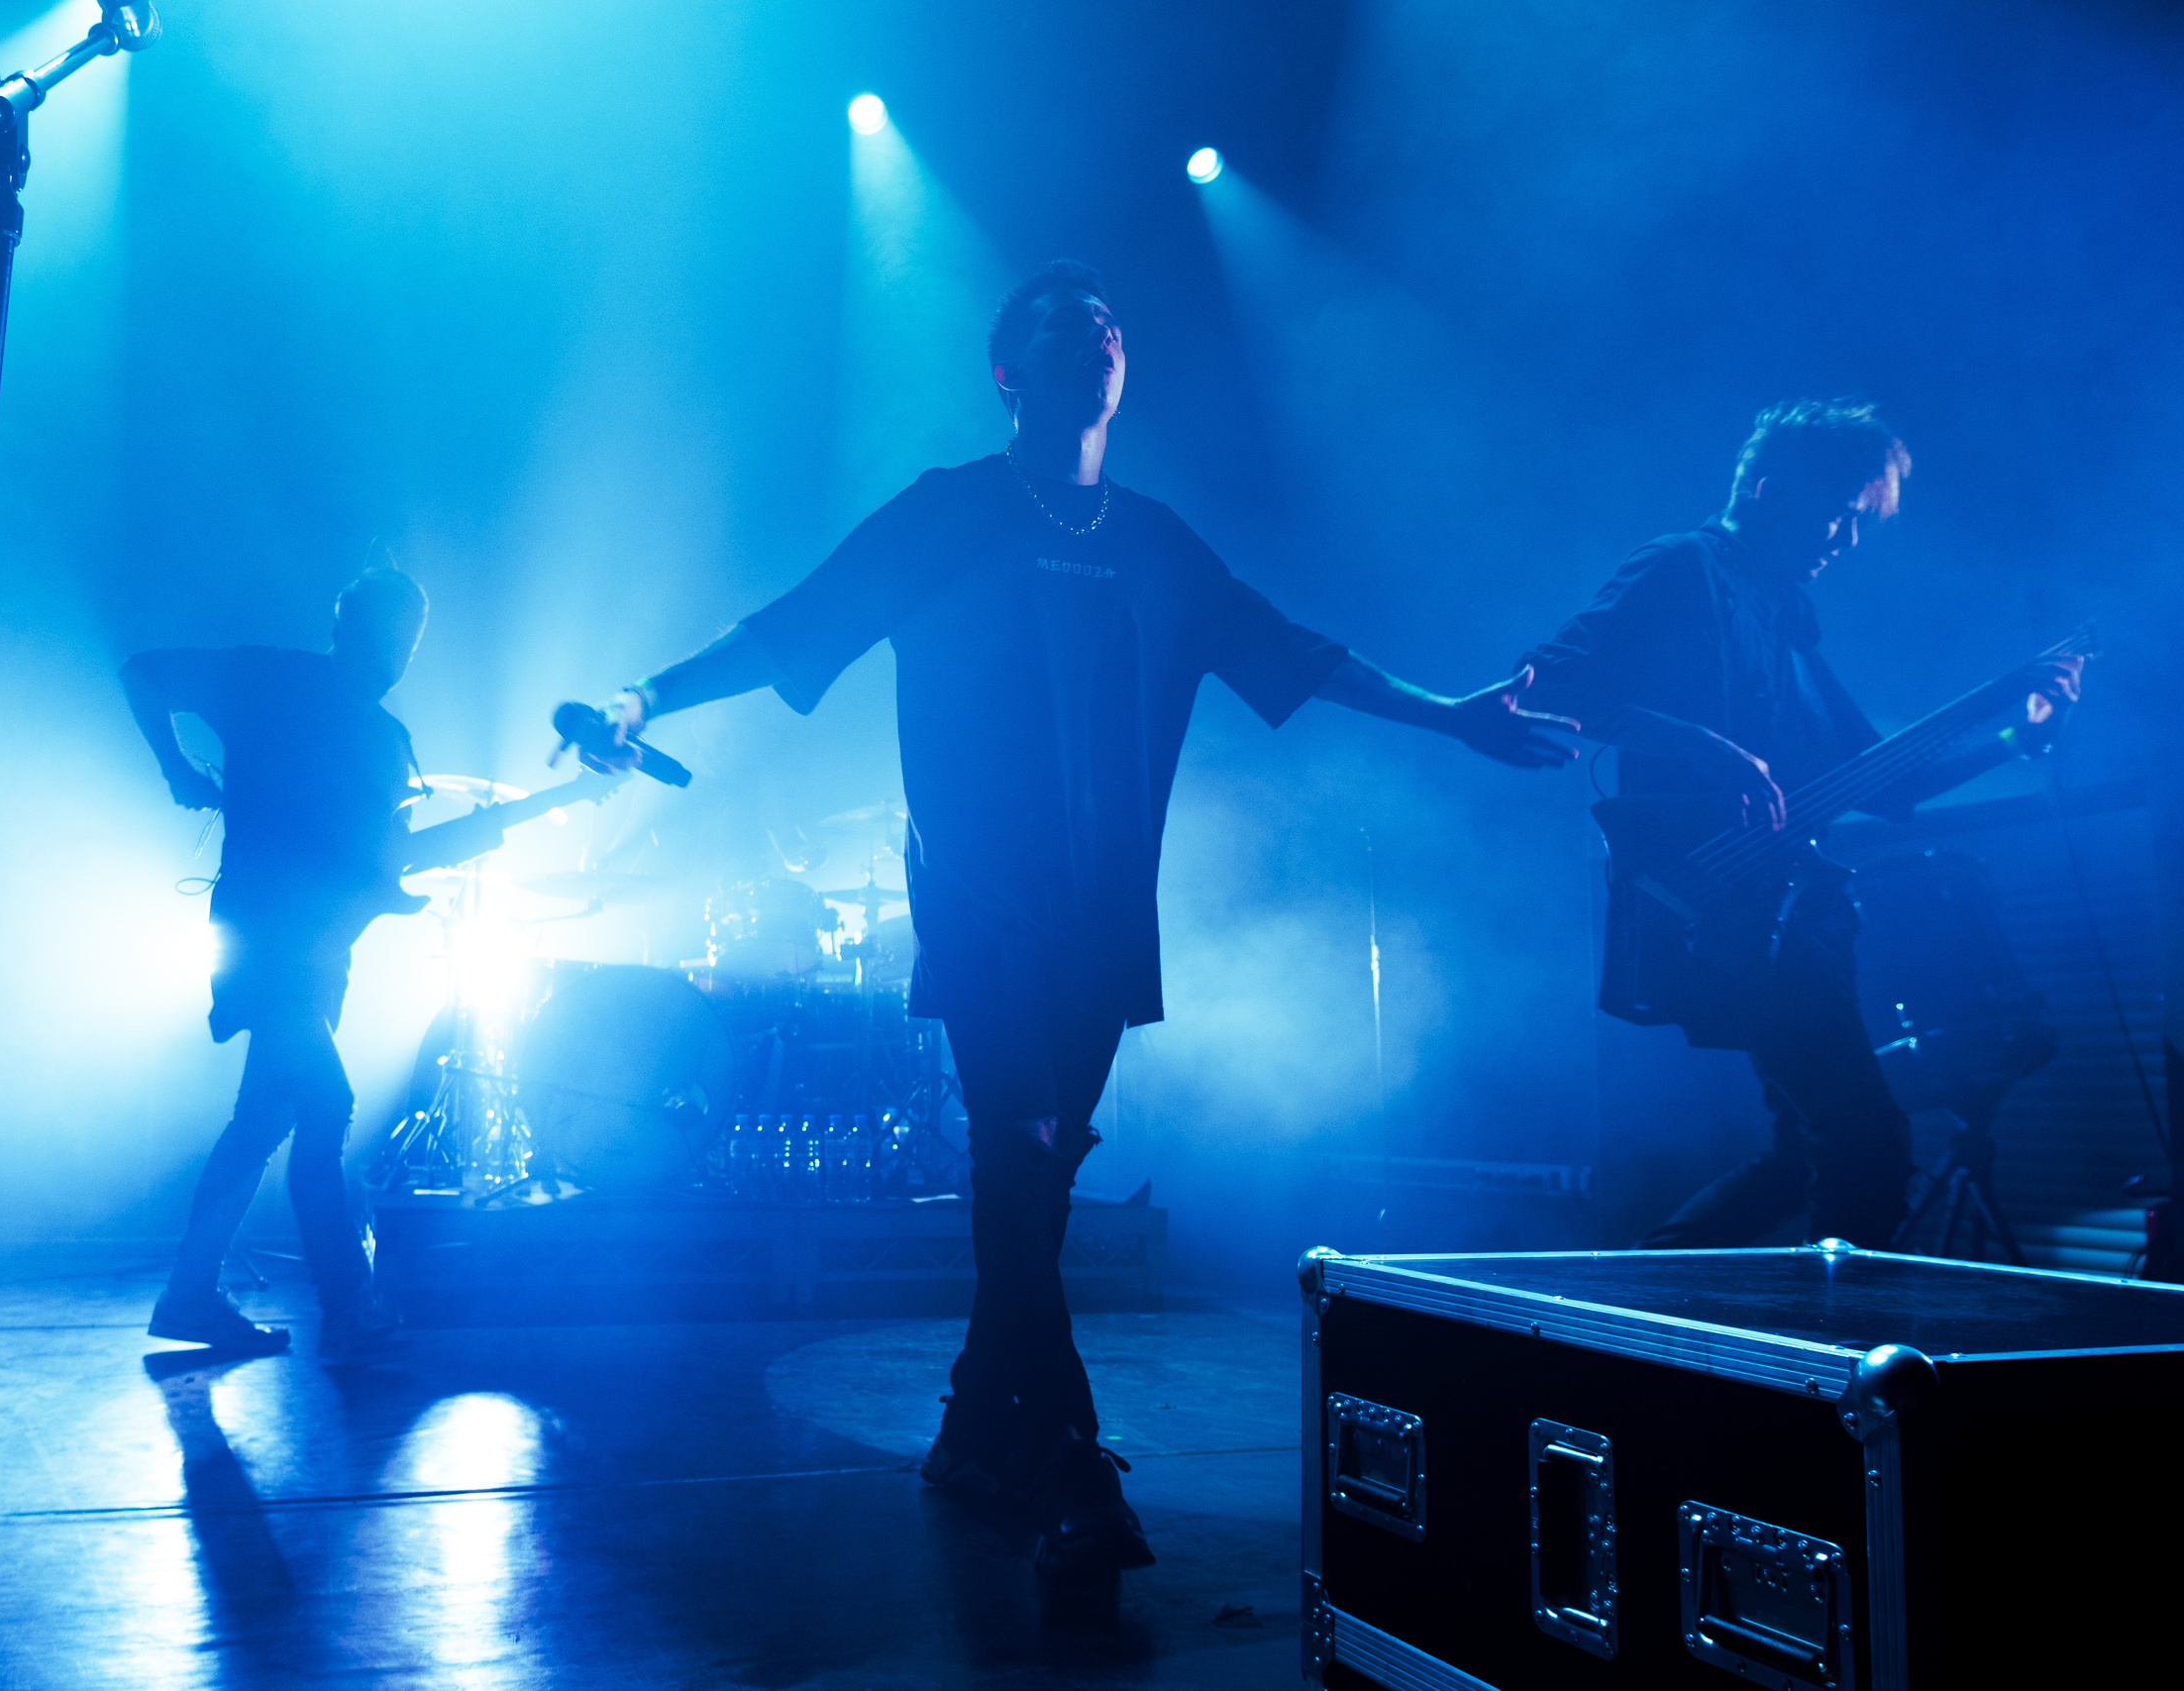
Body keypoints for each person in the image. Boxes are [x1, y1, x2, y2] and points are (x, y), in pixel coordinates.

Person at [565, 261, 1575, 1580]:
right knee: (1023, 1140)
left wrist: (1450, 714)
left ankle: (976, 1422)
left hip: (1104, 918)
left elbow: (1298, 652)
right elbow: (795, 627)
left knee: (1039, 1175)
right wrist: (648, 690)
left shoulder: (1155, 541)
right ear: (1007, 371)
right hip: (983, 905)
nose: (1093, 333)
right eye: (1058, 325)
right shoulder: (948, 514)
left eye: (1108, 320)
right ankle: (1070, 1462)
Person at [1519, 400, 2080, 1249]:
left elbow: (1894, 782)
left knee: (1811, 1150)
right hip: (1714, 898)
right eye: (1843, 512)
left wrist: (2015, 732)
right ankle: (1842, 1364)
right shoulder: (1683, 568)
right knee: (1865, 1144)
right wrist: (1700, 746)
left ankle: (1640, 1300)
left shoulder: (1786, 623)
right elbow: (1545, 684)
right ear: (1770, 484)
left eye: (1864, 522)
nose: (1848, 540)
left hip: (1781, 913)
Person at [122, 566, 433, 1359]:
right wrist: (175, 768)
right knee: (327, 1103)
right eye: (387, 635)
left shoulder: (385, 739)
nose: (397, 655)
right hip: (266, 942)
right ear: (345, 628)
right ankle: (346, 1299)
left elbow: (380, 863)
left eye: (410, 641)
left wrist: (523, 815)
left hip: (319, 957)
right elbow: (144, 672)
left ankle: (189, 1295)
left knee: (261, 1120)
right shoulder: (271, 680)